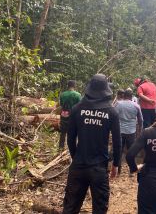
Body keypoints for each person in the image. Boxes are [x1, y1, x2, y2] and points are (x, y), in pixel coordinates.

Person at [63, 74, 121, 214]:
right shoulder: (111, 112)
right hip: (99, 168)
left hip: (78, 165)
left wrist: (76, 157)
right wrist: (115, 164)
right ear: (105, 89)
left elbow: (70, 138)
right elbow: (118, 141)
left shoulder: (77, 109)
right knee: (100, 208)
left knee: (70, 207)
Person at [115, 89, 143, 175]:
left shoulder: (118, 104)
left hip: (120, 130)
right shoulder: (136, 106)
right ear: (132, 96)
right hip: (131, 131)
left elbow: (113, 116)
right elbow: (140, 120)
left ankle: (118, 170)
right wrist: (139, 131)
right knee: (131, 151)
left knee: (119, 150)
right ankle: (131, 170)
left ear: (124, 96)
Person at [58, 80, 81, 150]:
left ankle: (61, 148)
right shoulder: (78, 95)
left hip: (63, 115)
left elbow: (61, 105)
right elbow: (79, 106)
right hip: (73, 117)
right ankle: (72, 148)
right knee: (73, 134)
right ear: (74, 86)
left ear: (67, 85)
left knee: (63, 133)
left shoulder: (62, 94)